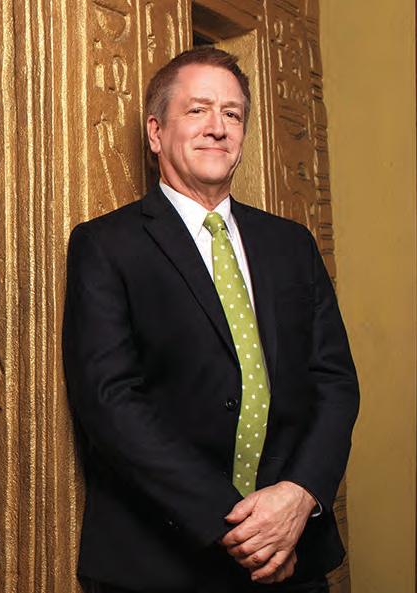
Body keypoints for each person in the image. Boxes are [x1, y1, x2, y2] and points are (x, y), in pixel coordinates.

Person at [63, 47, 358, 592]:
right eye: (197, 110)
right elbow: (110, 402)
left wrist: (300, 496)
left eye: (232, 113)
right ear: (156, 133)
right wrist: (239, 529)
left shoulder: (291, 243)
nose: (218, 127)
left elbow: (336, 382)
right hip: (164, 563)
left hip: (294, 552)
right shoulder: (105, 245)